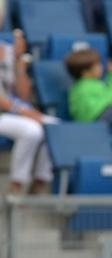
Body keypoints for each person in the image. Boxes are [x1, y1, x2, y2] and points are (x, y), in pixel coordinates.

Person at [0, 29, 53, 194]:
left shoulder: (9, 51)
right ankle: (16, 187)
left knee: (54, 126)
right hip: (6, 113)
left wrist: (18, 62)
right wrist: (25, 112)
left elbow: (22, 94)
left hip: (14, 112)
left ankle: (38, 184)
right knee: (32, 131)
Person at [65, 48, 112, 139]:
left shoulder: (75, 88)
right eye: (97, 65)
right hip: (102, 115)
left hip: (90, 124)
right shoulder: (94, 84)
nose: (101, 66)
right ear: (85, 72)